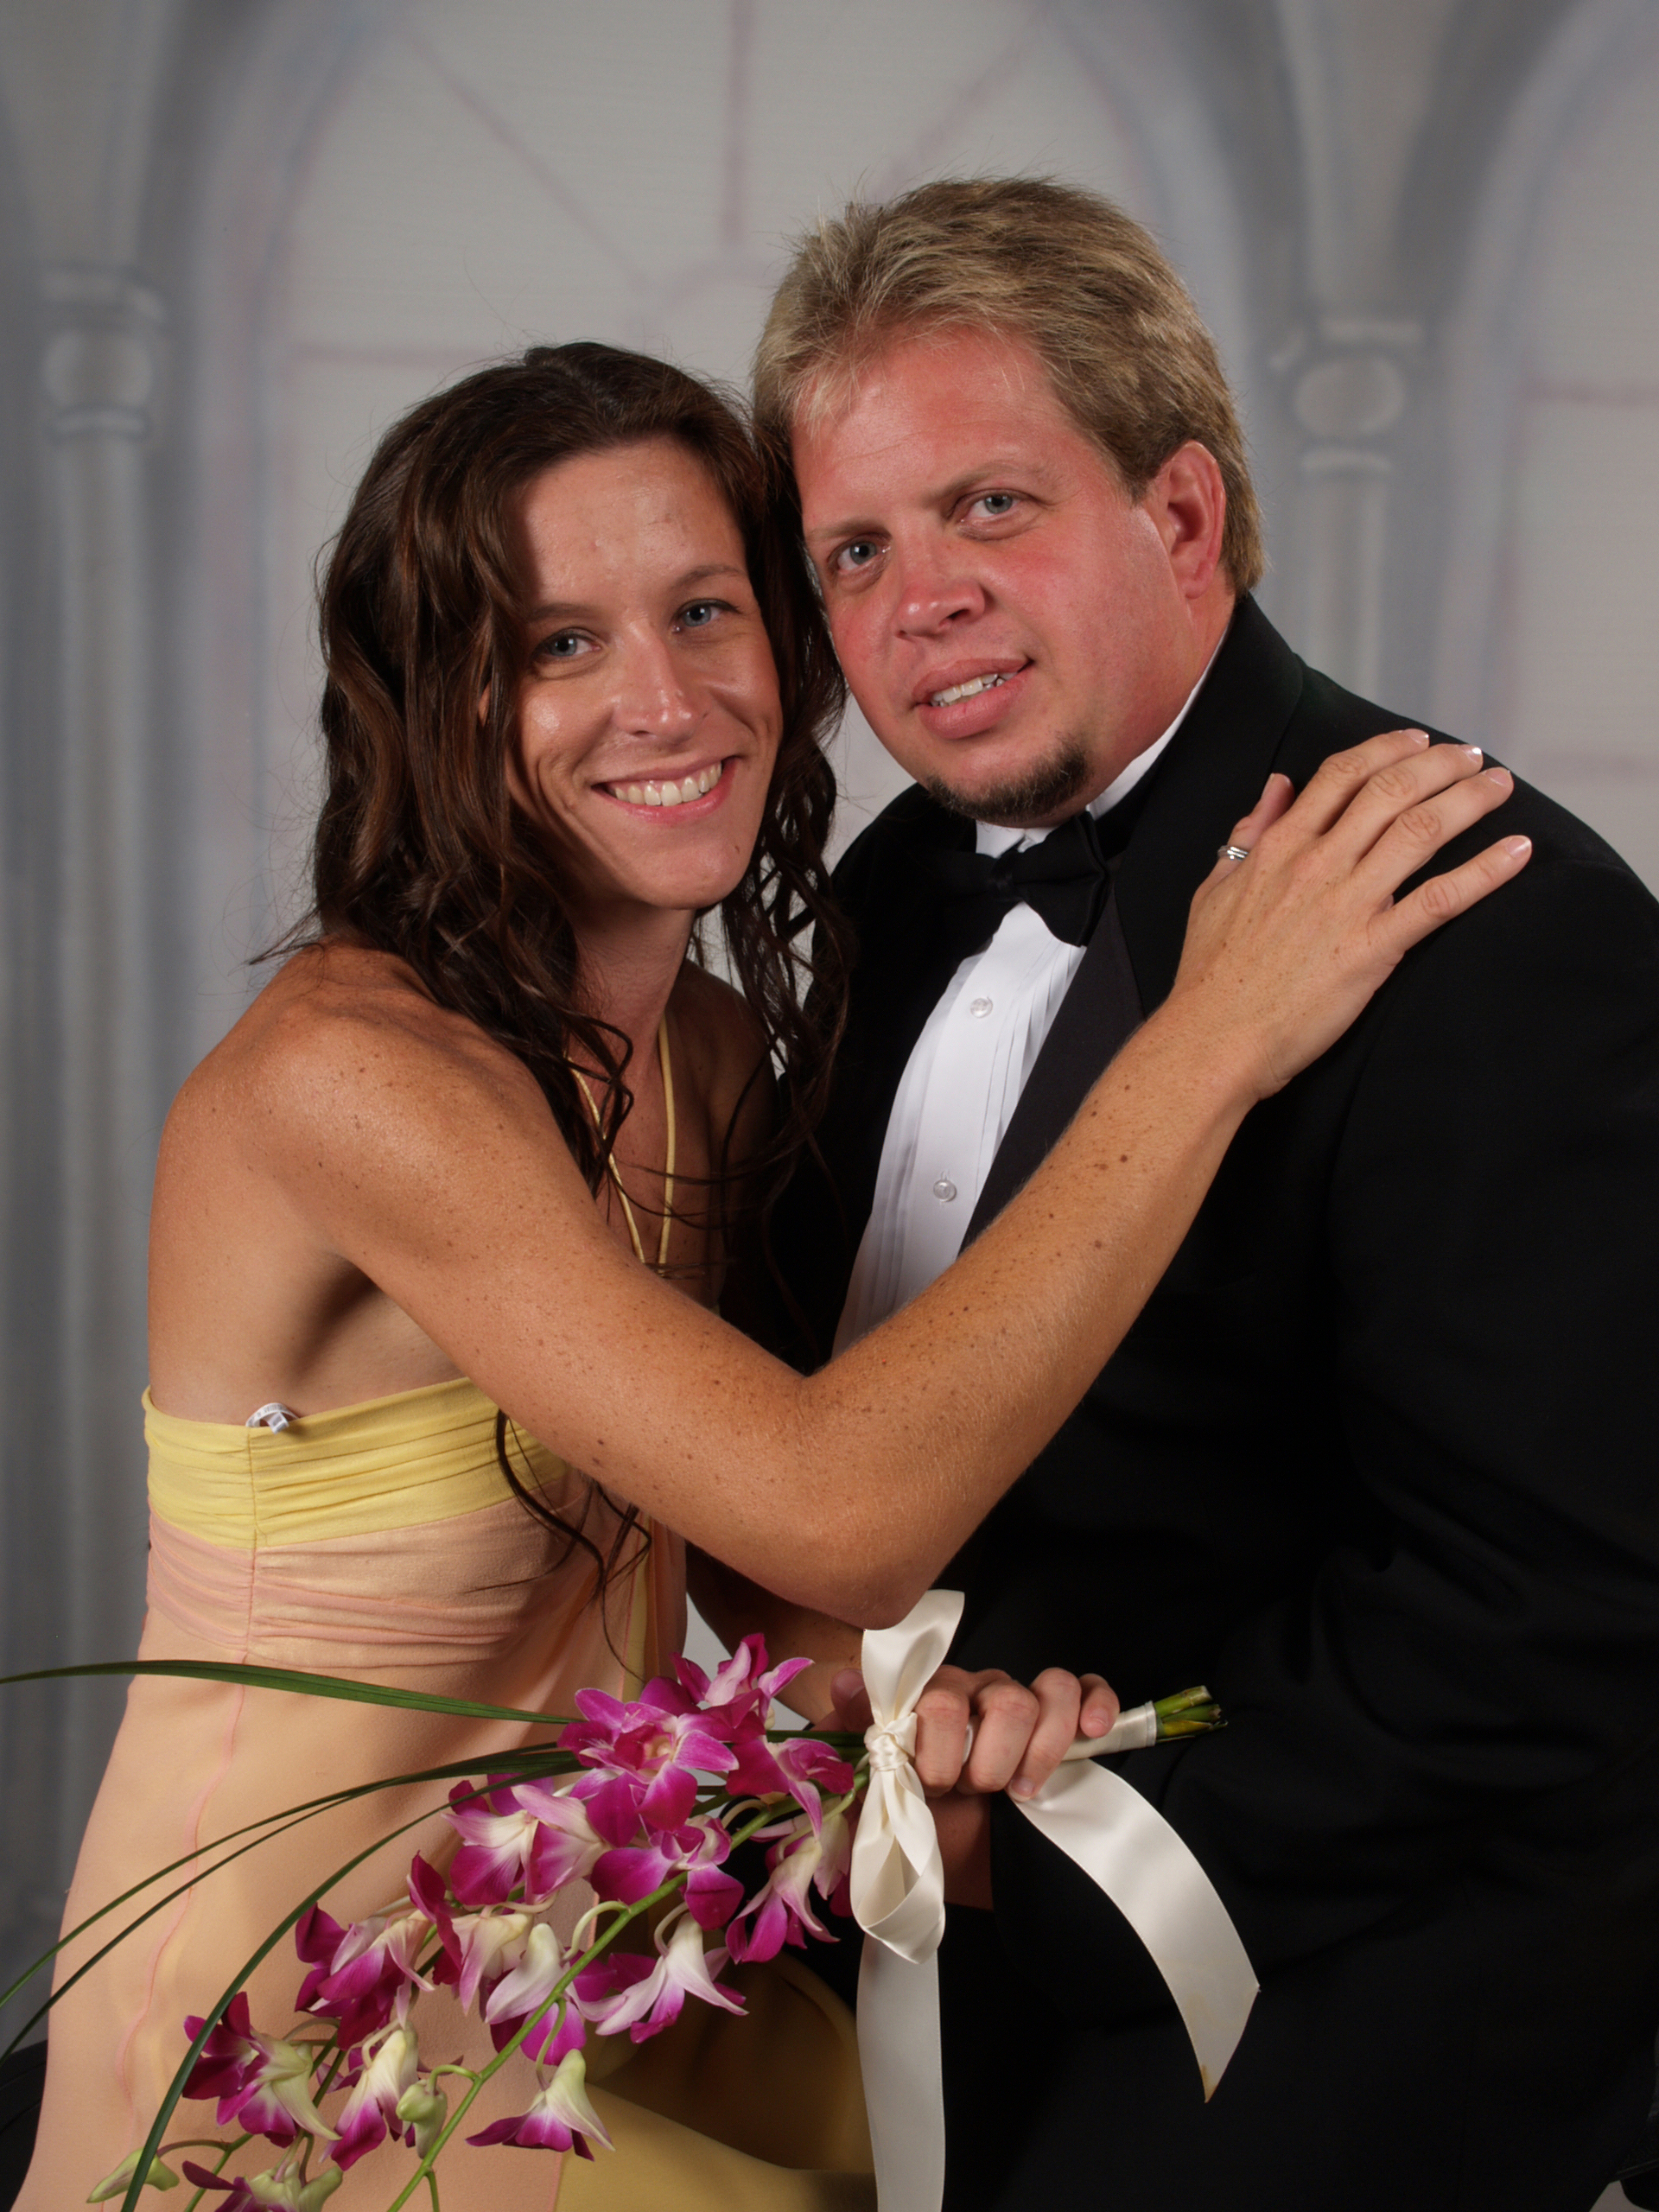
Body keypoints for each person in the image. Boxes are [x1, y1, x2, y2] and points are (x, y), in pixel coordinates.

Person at [12, 340, 1518, 2212]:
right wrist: (1217, 1033)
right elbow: (842, 1511)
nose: (664, 699)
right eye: (560, 642)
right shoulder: (356, 1082)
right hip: (296, 2044)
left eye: (706, 610)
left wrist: (945, 1710)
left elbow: (726, 1568)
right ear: (439, 699)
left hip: (587, 1950)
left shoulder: (713, 1055)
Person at [751, 175, 1659, 2212]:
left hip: (1340, 1913)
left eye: (990, 506)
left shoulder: (1487, 917)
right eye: (856, 550)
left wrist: (1045, 1856)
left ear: (1180, 514)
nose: (919, 599)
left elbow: (1546, 1617)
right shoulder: (895, 888)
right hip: (909, 1847)